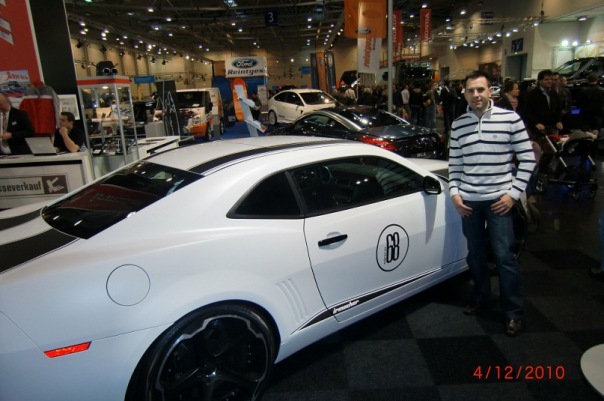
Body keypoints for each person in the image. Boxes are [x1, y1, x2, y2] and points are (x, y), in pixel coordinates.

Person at [448, 71, 536, 337]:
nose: (476, 95)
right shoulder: (458, 125)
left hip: (500, 200)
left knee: (504, 257)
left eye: (480, 90)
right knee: (474, 255)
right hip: (469, 201)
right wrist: (455, 194)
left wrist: (513, 194)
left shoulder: (510, 119)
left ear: (490, 92)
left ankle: (513, 312)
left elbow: (528, 159)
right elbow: (455, 164)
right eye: (471, 90)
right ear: (464, 93)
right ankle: (481, 296)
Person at [522, 69, 563, 138]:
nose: (549, 81)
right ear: (540, 81)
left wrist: (559, 121)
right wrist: (535, 123)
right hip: (538, 129)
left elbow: (558, 109)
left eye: (551, 79)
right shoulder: (532, 94)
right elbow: (527, 112)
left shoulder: (553, 93)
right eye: (546, 79)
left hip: (553, 127)